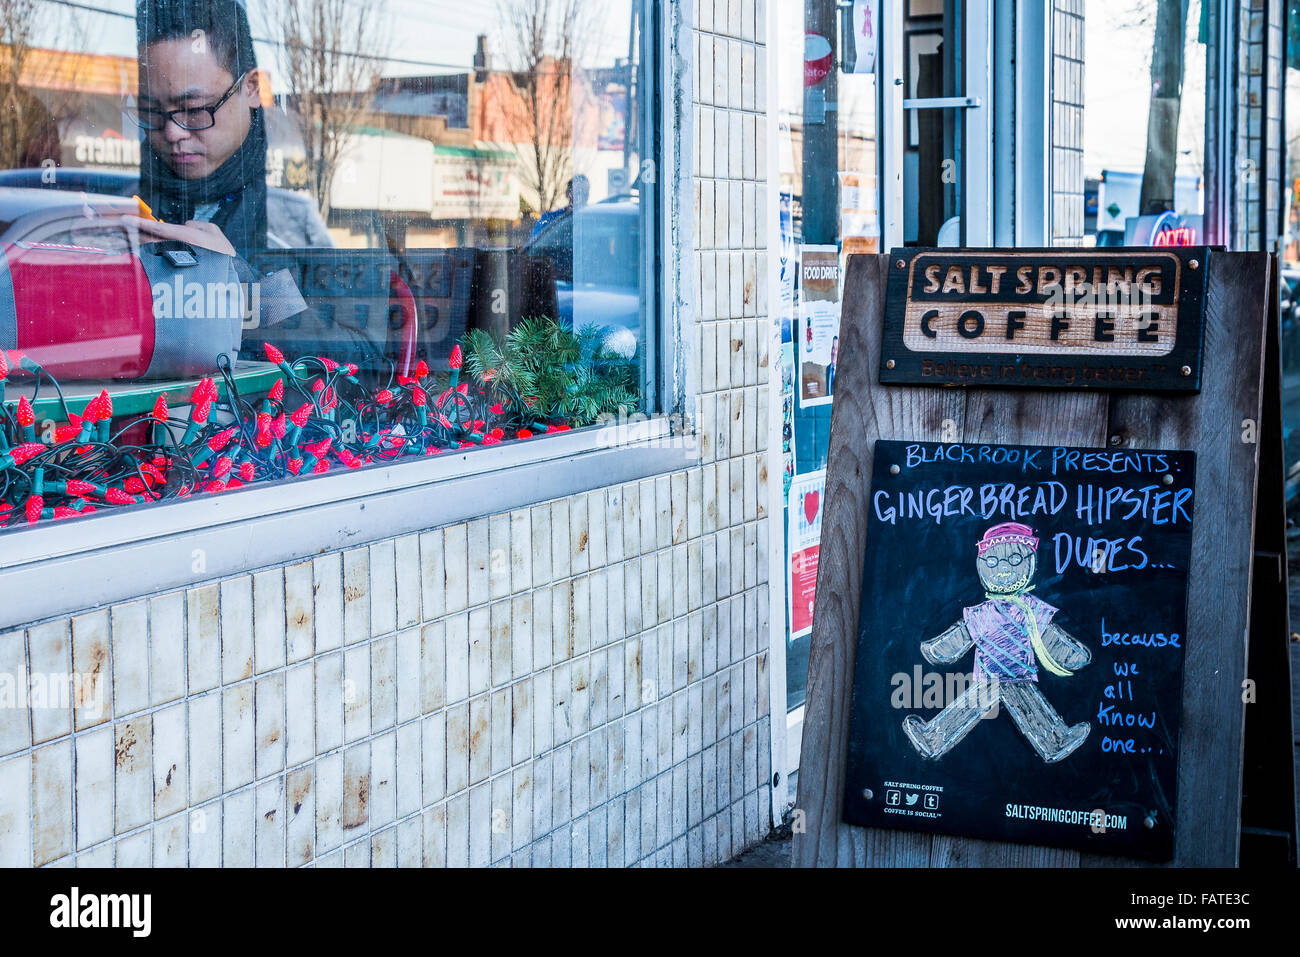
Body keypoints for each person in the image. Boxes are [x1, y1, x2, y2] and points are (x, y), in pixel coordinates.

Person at [128, 0, 330, 259]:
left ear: (252, 88)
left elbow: (323, 300)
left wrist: (230, 274)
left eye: (194, 110)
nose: (172, 133)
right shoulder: (115, 217)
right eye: (151, 112)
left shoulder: (297, 231)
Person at [900, 522, 1093, 764]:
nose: (1003, 568)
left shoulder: (1030, 608)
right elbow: (961, 637)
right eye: (993, 562)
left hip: (1015, 673)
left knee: (1018, 710)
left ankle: (933, 739)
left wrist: (1071, 654)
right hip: (992, 674)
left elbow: (1050, 637)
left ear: (1029, 562)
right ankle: (1054, 741)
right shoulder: (983, 613)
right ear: (982, 565)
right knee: (998, 710)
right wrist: (938, 650)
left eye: (1014, 560)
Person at [530, 174, 590, 239]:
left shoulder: (593, 220)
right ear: (567, 193)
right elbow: (534, 245)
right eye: (577, 192)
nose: (580, 197)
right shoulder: (548, 219)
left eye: (584, 192)